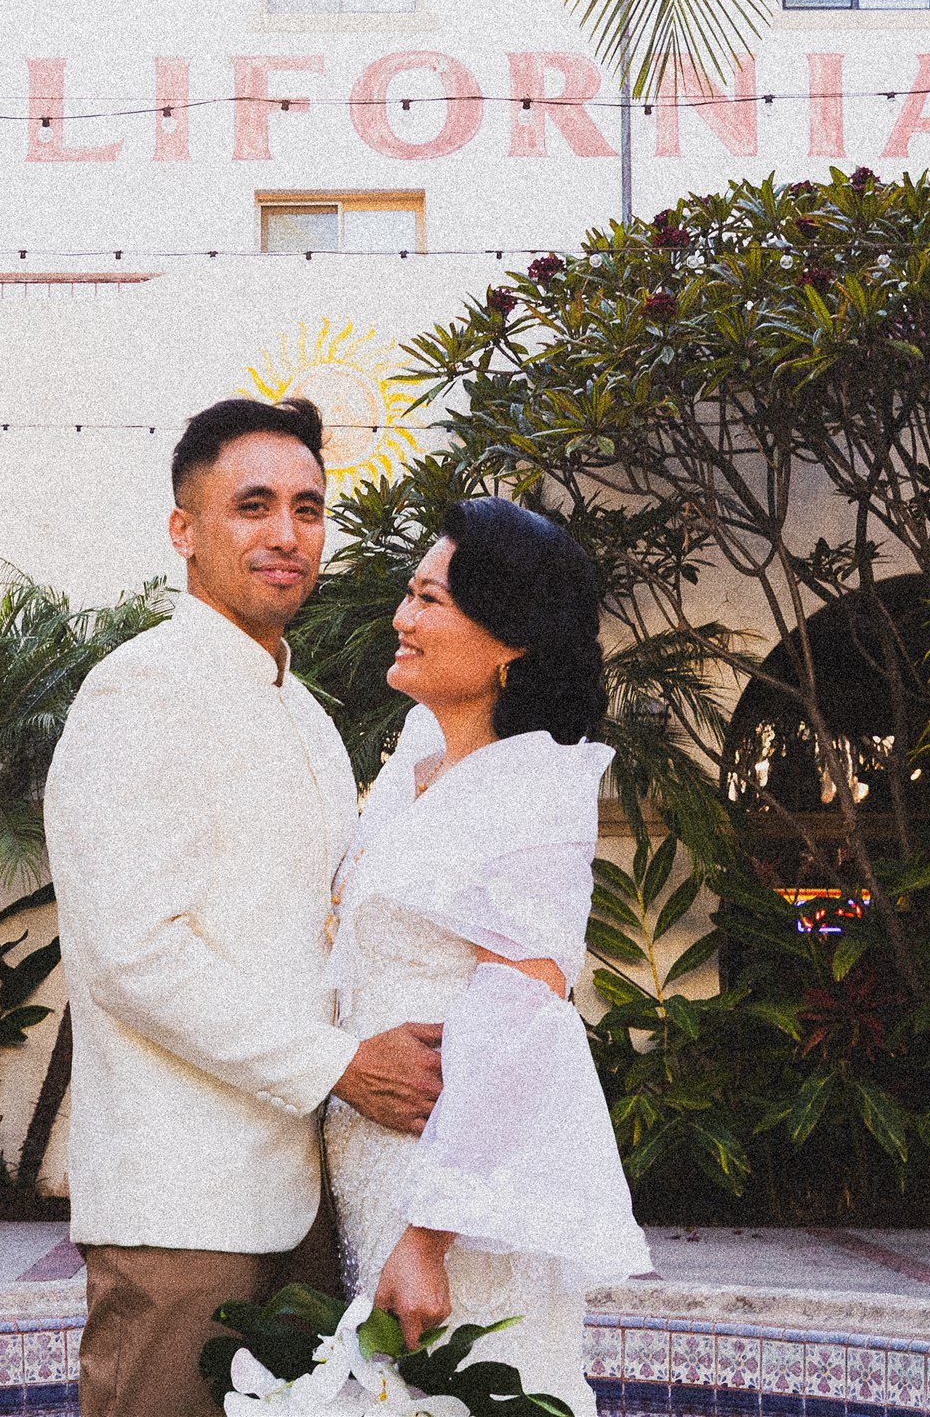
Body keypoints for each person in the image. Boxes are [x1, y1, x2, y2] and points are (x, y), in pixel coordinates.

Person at [44, 396, 444, 1417]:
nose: (286, 532)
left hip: (305, 1195)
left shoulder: (307, 716)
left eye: (309, 507)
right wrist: (343, 1065)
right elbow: (136, 956)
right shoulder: (142, 692)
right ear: (185, 528)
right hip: (182, 1206)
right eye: (252, 504)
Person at [324, 496, 653, 1417]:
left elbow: (521, 1016)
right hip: (368, 1152)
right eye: (410, 592)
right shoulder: (416, 758)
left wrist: (428, 1236)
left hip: (456, 1179)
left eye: (430, 599)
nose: (402, 616)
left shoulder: (537, 787)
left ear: (509, 641)